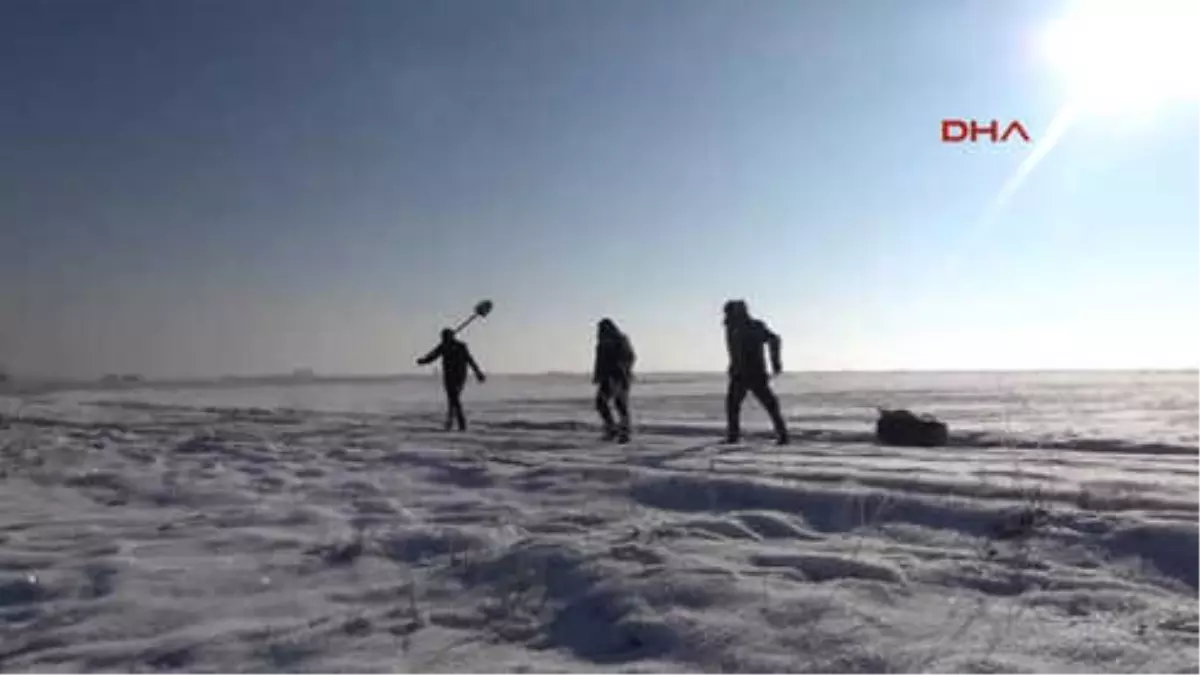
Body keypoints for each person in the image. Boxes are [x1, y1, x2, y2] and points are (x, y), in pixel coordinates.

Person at [723, 300, 789, 445]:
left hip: (753, 373)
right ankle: (733, 436)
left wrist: (775, 361)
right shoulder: (733, 327)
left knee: (769, 404)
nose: (726, 316)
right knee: (733, 405)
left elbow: (774, 339)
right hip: (741, 374)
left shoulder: (753, 326)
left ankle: (783, 435)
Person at [417, 328, 486, 431]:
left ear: (450, 336)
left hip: (459, 376)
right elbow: (433, 356)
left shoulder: (460, 346)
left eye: (444, 337)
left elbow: (470, 360)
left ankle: (460, 424)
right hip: (449, 376)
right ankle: (451, 423)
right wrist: (423, 361)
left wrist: (478, 373)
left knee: (454, 398)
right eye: (442, 337)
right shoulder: (443, 346)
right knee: (452, 399)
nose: (443, 339)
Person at [593, 318, 636, 443]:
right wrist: (598, 376)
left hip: (619, 377)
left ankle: (624, 431)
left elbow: (630, 356)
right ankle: (611, 428)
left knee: (620, 404)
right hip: (607, 378)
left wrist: (621, 368)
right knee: (601, 403)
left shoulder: (621, 340)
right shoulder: (601, 343)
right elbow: (599, 362)